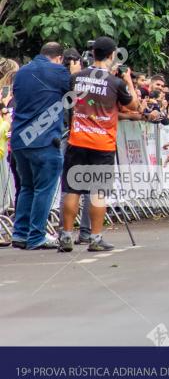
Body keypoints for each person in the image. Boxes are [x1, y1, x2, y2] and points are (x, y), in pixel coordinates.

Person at [59, 37, 139, 252]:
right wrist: (128, 79)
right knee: (97, 192)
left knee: (72, 189)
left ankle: (66, 236)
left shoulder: (77, 78)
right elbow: (133, 105)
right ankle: (95, 238)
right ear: (112, 55)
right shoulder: (116, 83)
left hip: (77, 140)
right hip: (102, 144)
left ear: (93, 53)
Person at [10, 43, 77, 250]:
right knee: (43, 189)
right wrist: (74, 74)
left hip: (21, 139)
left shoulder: (21, 72)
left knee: (27, 187)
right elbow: (75, 96)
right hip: (44, 139)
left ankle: (20, 233)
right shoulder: (58, 71)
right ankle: (36, 235)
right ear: (58, 58)